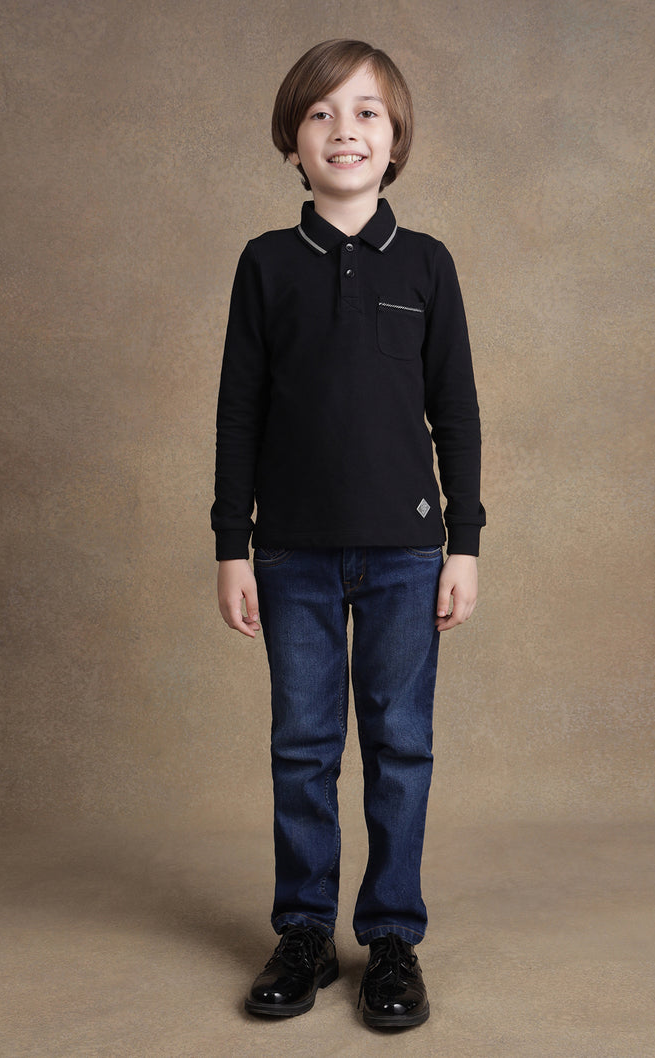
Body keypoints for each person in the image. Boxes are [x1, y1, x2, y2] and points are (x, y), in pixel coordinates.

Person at [211, 38, 485, 1029]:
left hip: (408, 555)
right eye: (321, 113)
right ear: (292, 142)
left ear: (395, 138)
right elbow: (238, 413)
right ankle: (303, 932)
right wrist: (231, 545)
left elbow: (456, 414)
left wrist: (464, 542)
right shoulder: (266, 265)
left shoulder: (427, 263)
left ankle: (393, 939)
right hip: (290, 553)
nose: (344, 130)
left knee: (401, 745)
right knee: (303, 746)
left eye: (366, 112)